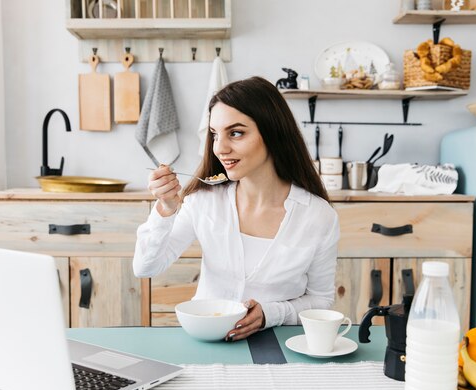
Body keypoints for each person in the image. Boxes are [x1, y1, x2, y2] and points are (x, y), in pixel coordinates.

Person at [133, 76, 339, 341]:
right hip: (205, 339)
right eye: (215, 134)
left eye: (236, 133)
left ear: (273, 132)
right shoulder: (203, 201)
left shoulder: (318, 216)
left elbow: (321, 300)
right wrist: (165, 209)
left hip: (280, 344)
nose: (220, 148)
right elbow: (145, 268)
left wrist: (271, 314)